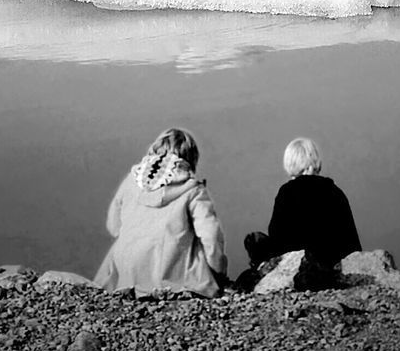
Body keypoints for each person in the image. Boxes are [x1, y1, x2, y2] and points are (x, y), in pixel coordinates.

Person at [94, 127, 227, 297]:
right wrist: (217, 270)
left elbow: (113, 227)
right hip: (171, 271)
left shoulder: (132, 181)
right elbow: (211, 235)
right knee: (195, 244)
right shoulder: (193, 189)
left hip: (126, 270)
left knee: (122, 245)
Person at [245, 136, 362, 268]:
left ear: (289, 162)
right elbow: (351, 240)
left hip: (296, 267)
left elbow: (276, 234)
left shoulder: (286, 193)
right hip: (332, 265)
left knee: (256, 241)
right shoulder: (334, 192)